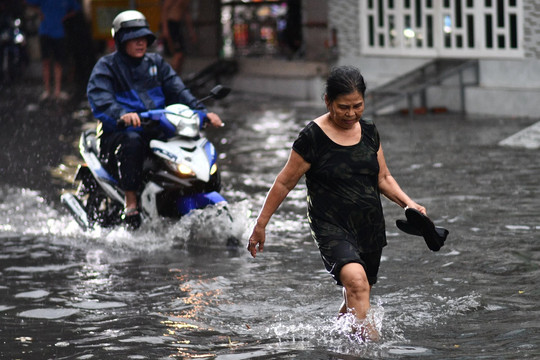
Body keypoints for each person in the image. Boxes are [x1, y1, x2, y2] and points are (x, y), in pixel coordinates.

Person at [247, 66, 426, 341]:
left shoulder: (369, 132)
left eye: (358, 106)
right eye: (343, 107)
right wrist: (261, 225)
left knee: (357, 294)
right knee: (357, 283)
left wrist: (409, 204)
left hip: (368, 226)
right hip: (330, 225)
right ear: (327, 100)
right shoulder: (312, 138)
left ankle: (336, 345)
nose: (351, 113)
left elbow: (383, 177)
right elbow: (284, 182)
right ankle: (370, 347)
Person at [87, 10, 223, 230]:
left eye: (144, 39)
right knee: (132, 141)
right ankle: (131, 201)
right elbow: (100, 100)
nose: (141, 43)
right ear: (121, 40)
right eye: (134, 39)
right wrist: (121, 115)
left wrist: (203, 112)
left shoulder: (156, 64)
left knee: (193, 142)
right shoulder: (107, 67)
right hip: (120, 132)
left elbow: (179, 91)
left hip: (158, 127)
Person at [25, 0, 80, 101]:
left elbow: (76, 9)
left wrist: (64, 17)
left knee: (58, 61)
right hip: (46, 31)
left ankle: (57, 90)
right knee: (46, 61)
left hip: (59, 32)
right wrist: (39, 12)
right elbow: (28, 2)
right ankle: (47, 89)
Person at [161, 0, 196, 75]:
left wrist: (191, 32)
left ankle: (177, 78)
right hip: (171, 25)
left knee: (182, 55)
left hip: (178, 25)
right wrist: (165, 29)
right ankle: (169, 77)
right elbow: (165, 9)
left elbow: (186, 14)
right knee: (178, 54)